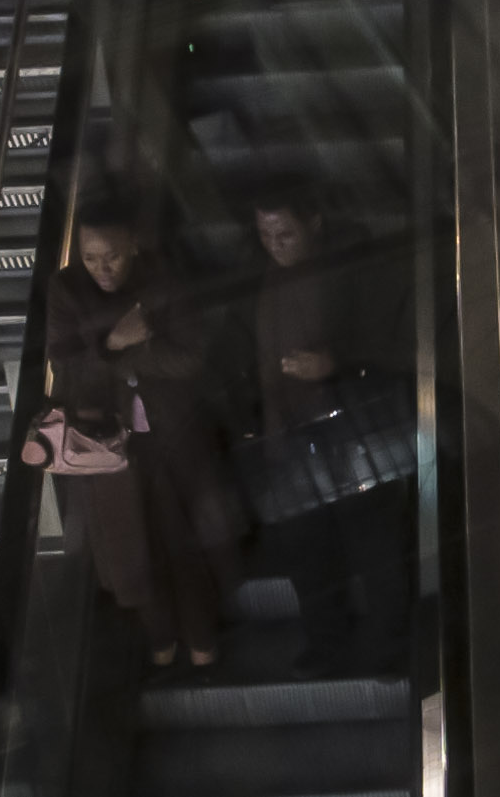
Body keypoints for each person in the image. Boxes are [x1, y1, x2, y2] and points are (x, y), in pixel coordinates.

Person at [47, 201, 239, 669]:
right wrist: (116, 343)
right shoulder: (67, 290)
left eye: (110, 255)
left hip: (170, 436)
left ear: (133, 243)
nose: (101, 268)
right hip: (106, 445)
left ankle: (200, 643)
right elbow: (64, 368)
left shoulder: (165, 280)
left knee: (181, 539)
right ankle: (161, 644)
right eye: (90, 257)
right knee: (129, 549)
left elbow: (190, 358)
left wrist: (124, 354)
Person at [245, 187, 415, 678]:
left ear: (313, 223)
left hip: (357, 430)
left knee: (374, 545)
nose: (275, 244)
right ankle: (328, 645)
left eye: (285, 233)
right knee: (308, 552)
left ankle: (389, 647)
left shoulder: (357, 273)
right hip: (296, 436)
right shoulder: (269, 282)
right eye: (266, 235)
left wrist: (335, 364)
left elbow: (398, 344)